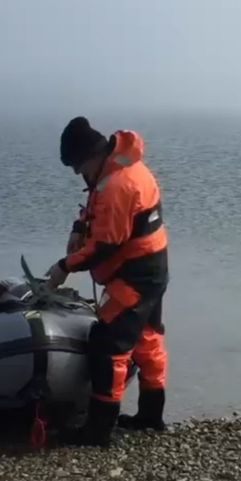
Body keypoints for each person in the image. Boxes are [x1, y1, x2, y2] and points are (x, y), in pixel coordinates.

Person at [44, 116, 170, 447]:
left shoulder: (117, 185)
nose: (76, 173)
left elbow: (106, 244)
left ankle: (98, 431)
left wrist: (63, 267)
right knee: (147, 338)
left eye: (76, 165)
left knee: (107, 344)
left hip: (134, 275)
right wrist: (77, 229)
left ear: (92, 155)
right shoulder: (120, 170)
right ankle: (151, 416)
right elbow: (98, 217)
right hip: (152, 268)